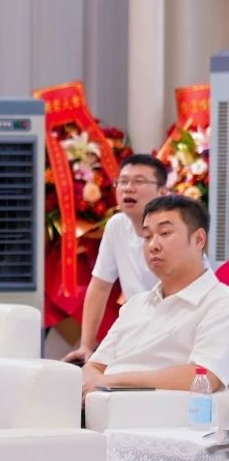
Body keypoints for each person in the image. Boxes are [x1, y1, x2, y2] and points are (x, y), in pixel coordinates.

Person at [81, 195, 229, 398]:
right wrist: (95, 388)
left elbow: (203, 376)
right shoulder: (135, 305)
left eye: (165, 233)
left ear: (199, 239)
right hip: (101, 408)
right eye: (147, 236)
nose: (153, 245)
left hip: (161, 413)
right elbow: (94, 367)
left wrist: (114, 382)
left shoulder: (220, 302)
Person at [64, 155, 169, 364]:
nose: (128, 188)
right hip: (136, 332)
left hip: (171, 334)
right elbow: (100, 287)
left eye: (139, 181)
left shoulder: (174, 230)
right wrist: (86, 345)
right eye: (123, 181)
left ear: (162, 192)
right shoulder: (117, 225)